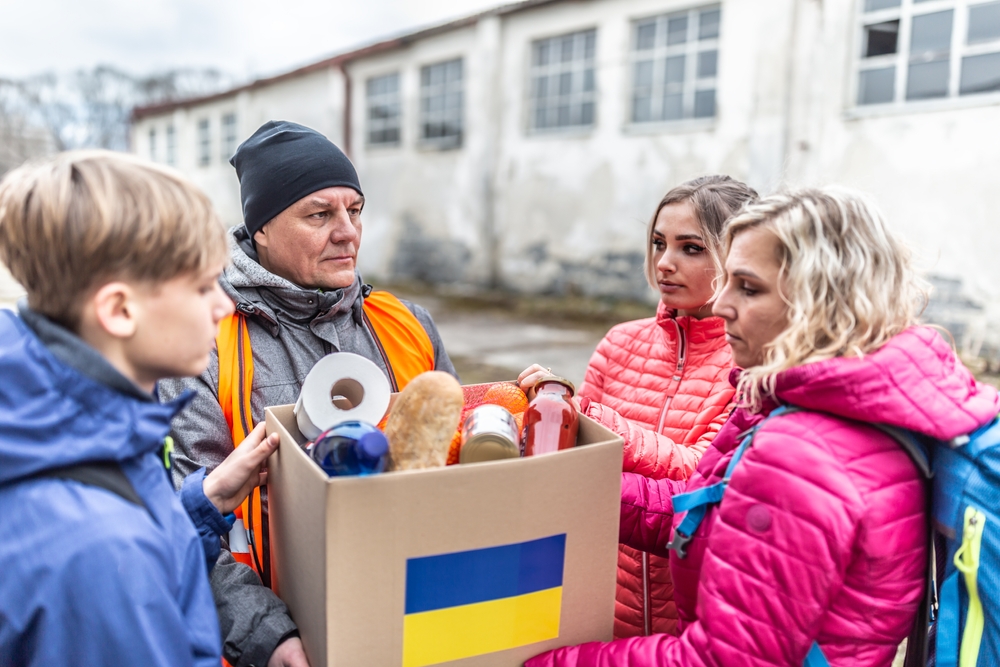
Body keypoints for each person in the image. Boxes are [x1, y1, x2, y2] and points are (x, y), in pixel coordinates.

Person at [527, 188, 1000, 666]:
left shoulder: (800, 451)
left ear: (819, 301)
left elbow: (725, 660)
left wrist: (547, 662)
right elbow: (701, 512)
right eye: (727, 280)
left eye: (748, 288)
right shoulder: (843, 408)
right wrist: (572, 488)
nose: (722, 303)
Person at [158, 120, 457, 667]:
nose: (348, 232)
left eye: (355, 210)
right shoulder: (203, 342)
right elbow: (185, 517)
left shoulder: (407, 325)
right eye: (320, 214)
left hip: (414, 616)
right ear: (263, 229)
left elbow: (461, 475)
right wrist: (267, 636)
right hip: (283, 639)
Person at [0, 151, 280, 666]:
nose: (223, 306)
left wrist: (202, 505)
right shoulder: (95, 552)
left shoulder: (80, 426)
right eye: (202, 287)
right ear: (119, 310)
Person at [520, 175, 756, 637]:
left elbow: (698, 476)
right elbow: (575, 459)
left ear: (739, 258)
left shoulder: (750, 357)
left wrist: (581, 411)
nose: (665, 263)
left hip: (696, 620)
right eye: (658, 243)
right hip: (604, 606)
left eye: (691, 248)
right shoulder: (619, 342)